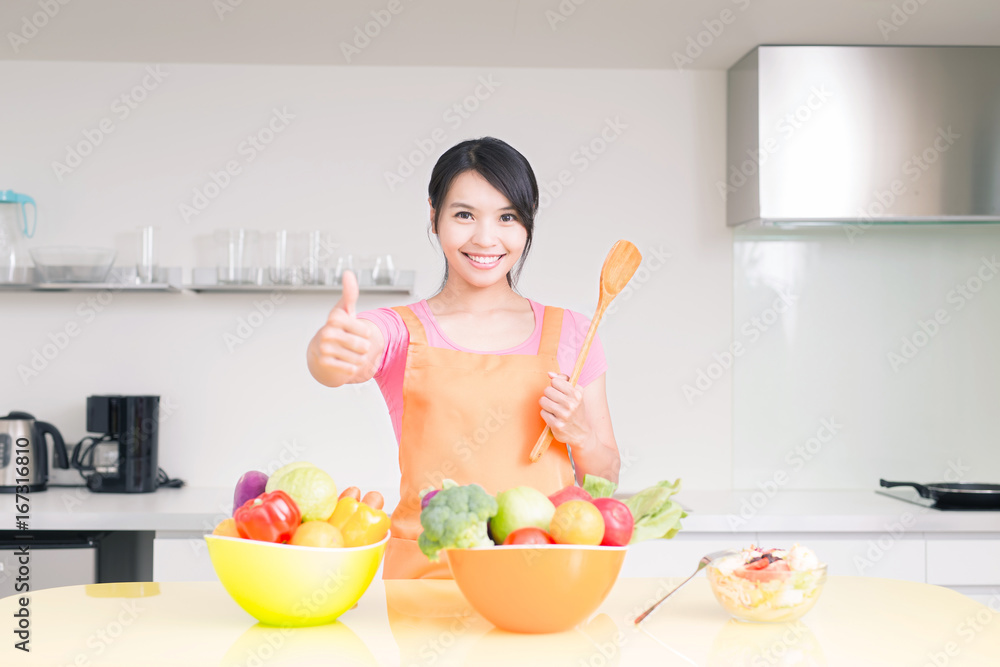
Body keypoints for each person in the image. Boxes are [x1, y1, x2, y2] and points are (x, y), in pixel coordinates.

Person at [306, 137, 620, 579]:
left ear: (527, 225)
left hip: (542, 575)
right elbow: (344, 359)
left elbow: (605, 479)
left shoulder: (573, 331)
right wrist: (328, 352)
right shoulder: (400, 330)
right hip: (429, 576)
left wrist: (580, 436)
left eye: (507, 217)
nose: (485, 238)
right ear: (434, 218)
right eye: (464, 215)